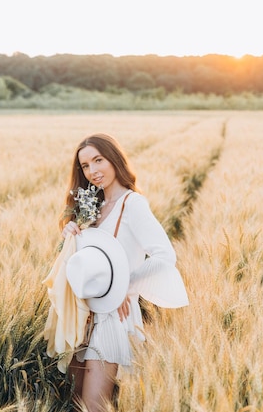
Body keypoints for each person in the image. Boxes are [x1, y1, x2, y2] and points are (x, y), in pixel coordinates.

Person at [59, 133, 189, 412]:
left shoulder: (133, 204)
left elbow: (165, 255)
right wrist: (70, 233)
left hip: (114, 317)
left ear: (114, 159)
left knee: (93, 406)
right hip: (87, 315)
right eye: (85, 166)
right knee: (77, 400)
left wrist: (125, 288)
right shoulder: (90, 205)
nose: (92, 171)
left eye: (98, 160)